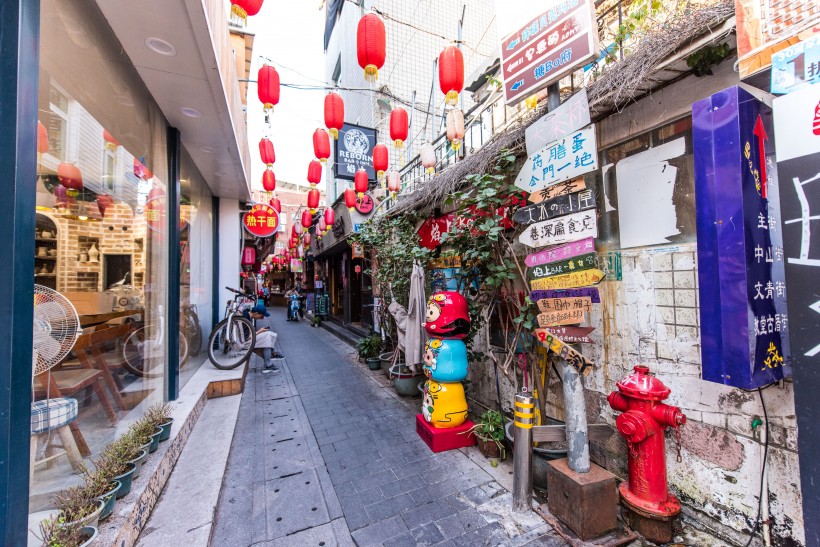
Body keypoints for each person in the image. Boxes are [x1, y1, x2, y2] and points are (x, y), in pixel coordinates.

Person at [248, 304, 284, 373]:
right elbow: (247, 337)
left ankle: (272, 354)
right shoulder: (246, 318)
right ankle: (269, 363)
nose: (262, 318)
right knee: (267, 337)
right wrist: (259, 331)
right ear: (256, 313)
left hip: (248, 339)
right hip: (246, 342)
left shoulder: (249, 317)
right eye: (262, 316)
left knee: (269, 334)